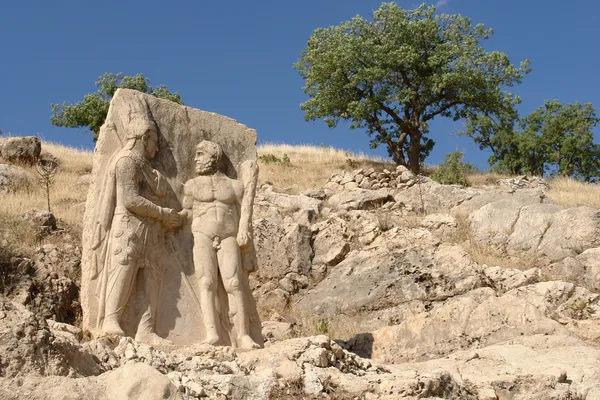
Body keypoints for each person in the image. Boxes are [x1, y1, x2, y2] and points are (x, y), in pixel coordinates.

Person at [90, 117, 180, 345]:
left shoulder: (145, 166)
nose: (156, 147)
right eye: (155, 141)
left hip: (150, 229)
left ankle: (146, 329)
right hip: (128, 226)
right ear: (144, 138)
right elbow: (130, 199)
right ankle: (111, 320)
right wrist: (162, 213)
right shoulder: (126, 161)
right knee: (123, 271)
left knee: (153, 276)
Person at [180, 140, 260, 349]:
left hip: (228, 236)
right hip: (202, 235)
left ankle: (243, 335)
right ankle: (212, 334)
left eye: (200, 154)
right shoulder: (192, 185)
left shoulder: (234, 185)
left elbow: (245, 214)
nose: (195, 160)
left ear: (213, 157)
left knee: (234, 283)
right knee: (206, 283)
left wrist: (245, 235)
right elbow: (186, 213)